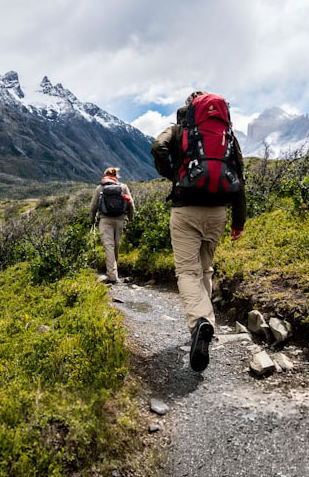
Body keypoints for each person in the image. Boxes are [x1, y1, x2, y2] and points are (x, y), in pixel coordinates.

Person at [151, 91, 246, 372]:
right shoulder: (226, 135)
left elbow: (158, 147)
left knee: (187, 272)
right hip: (218, 212)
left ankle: (200, 322)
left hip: (186, 209)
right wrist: (238, 222)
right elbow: (239, 175)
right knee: (205, 269)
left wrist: (173, 174)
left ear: (190, 108)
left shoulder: (180, 129)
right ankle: (204, 325)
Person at [90, 167, 135, 284]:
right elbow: (131, 204)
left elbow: (93, 207)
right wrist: (130, 218)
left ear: (105, 175)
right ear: (116, 176)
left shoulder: (100, 188)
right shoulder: (123, 187)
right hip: (120, 220)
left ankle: (112, 276)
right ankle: (114, 273)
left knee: (108, 246)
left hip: (105, 220)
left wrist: (92, 221)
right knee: (116, 245)